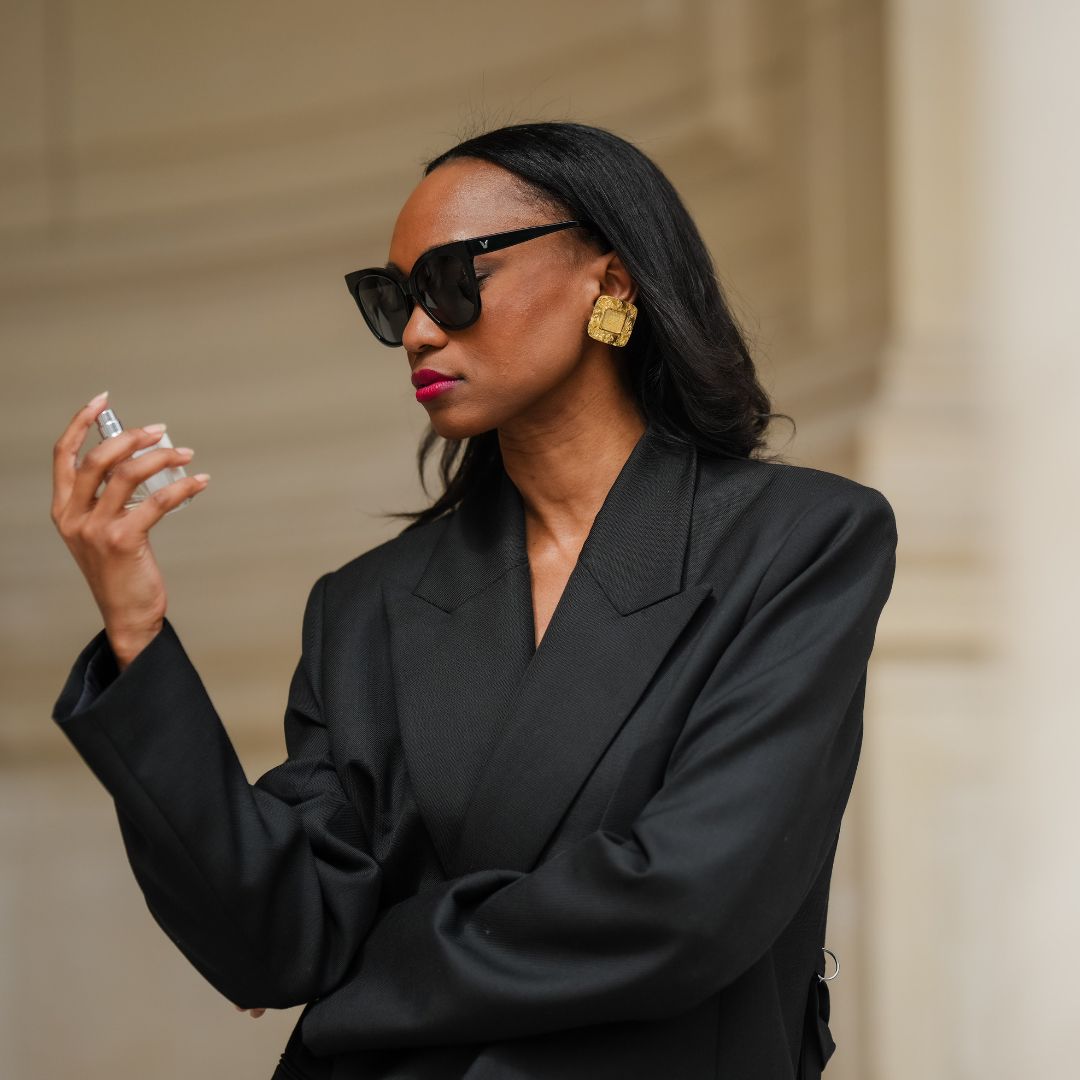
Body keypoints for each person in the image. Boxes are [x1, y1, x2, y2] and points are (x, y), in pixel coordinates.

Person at [49, 121, 897, 1079]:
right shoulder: (366, 606)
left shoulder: (800, 540)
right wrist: (135, 631)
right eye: (394, 298)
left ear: (610, 284)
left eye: (456, 280)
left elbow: (690, 902)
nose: (417, 329)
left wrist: (363, 984)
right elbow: (276, 942)